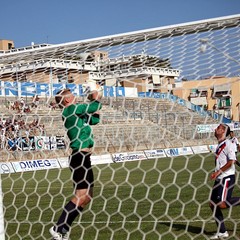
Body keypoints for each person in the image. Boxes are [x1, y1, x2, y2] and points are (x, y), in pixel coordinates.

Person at [49, 88, 102, 240]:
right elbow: (94, 107)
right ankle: (58, 227)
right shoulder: (70, 110)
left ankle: (63, 229)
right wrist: (96, 97)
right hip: (79, 156)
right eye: (72, 95)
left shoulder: (75, 113)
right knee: (81, 195)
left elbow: (94, 119)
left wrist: (95, 103)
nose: (75, 97)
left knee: (88, 196)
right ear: (67, 100)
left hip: (84, 156)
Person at [209, 124, 240, 239]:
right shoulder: (220, 145)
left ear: (223, 131)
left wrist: (219, 171)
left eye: (218, 128)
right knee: (213, 204)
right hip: (219, 178)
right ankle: (222, 232)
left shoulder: (228, 144)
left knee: (221, 204)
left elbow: (232, 161)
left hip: (226, 177)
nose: (216, 129)